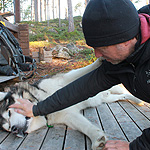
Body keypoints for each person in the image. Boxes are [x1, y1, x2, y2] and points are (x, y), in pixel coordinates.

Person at [10, 0, 150, 149]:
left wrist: (136, 147)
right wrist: (36, 109)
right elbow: (80, 89)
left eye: (102, 47)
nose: (97, 55)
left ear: (126, 40)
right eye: (94, 48)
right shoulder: (117, 63)